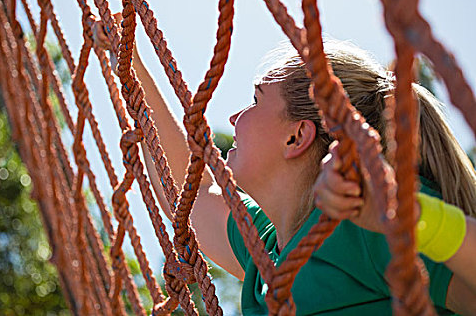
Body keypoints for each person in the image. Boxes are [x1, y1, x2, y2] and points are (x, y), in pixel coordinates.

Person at [94, 21, 476, 314]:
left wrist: (402, 215)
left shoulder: (360, 221)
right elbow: (191, 194)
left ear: (297, 137)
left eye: (255, 101)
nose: (234, 116)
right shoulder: (266, 255)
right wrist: (129, 65)